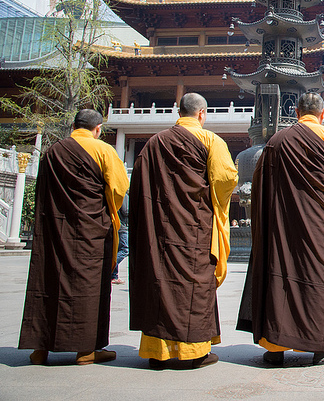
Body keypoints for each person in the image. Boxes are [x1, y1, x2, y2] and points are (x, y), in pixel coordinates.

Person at [237, 92, 324, 366]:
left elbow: (259, 186)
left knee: (278, 277)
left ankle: (275, 347)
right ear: (321, 115)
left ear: (296, 113)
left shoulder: (275, 142)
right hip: (320, 227)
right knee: (319, 280)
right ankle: (321, 349)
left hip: (280, 226)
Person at [129, 93, 238, 369]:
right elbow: (225, 178)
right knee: (193, 285)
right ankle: (193, 353)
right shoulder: (210, 140)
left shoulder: (154, 143)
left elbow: (138, 183)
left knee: (159, 282)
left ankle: (157, 351)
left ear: (180, 113)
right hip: (194, 229)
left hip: (159, 231)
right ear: (201, 114)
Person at [19, 109, 128, 365]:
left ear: (74, 125)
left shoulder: (52, 151)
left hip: (54, 229)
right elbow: (119, 187)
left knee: (47, 281)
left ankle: (39, 348)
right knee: (87, 287)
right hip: (89, 230)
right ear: (98, 128)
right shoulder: (102, 150)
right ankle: (86, 350)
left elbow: (43, 189)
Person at [111, 193, 129, 284]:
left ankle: (113, 276)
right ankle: (111, 264)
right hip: (123, 226)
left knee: (117, 249)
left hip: (117, 225)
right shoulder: (124, 195)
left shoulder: (115, 194)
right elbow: (126, 211)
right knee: (125, 249)